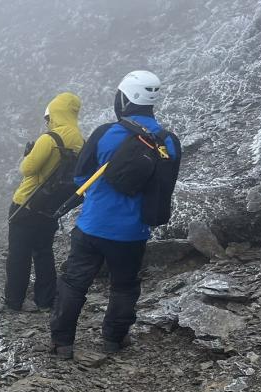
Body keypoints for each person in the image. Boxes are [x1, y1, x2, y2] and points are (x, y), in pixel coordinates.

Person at [49, 71, 182, 359]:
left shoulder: (105, 133)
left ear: (124, 97)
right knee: (124, 286)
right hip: (133, 233)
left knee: (74, 282)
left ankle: (62, 343)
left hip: (92, 226)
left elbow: (80, 177)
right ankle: (114, 339)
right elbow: (163, 188)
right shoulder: (168, 142)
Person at [4, 92, 83, 311]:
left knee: (19, 254)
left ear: (56, 114)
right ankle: (46, 299)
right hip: (50, 208)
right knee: (44, 252)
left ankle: (14, 300)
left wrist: (28, 154)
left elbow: (27, 169)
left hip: (26, 203)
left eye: (48, 118)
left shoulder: (49, 139)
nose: (47, 122)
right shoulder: (81, 142)